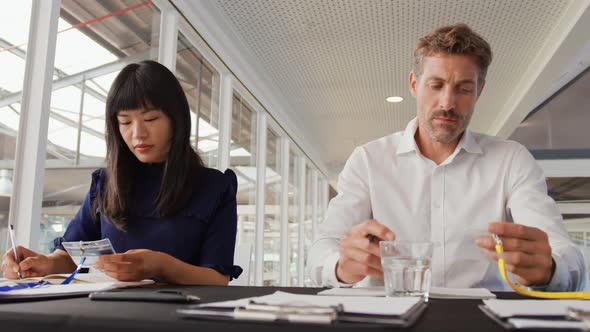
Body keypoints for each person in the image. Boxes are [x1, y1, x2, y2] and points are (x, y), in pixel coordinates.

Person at [308, 24, 585, 291]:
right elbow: (321, 252)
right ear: (414, 84)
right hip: (388, 317)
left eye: (464, 88)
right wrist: (341, 266)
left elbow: (567, 257)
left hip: (479, 321)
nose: (447, 103)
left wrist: (549, 269)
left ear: (479, 91)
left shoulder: (512, 160)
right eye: (436, 85)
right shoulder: (368, 160)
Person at [1, 60, 242, 285]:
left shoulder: (214, 188)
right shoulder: (106, 183)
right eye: (125, 122)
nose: (138, 134)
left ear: (176, 120)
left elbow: (217, 278)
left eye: (150, 119)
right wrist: (44, 263)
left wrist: (159, 266)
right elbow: (72, 255)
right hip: (108, 315)